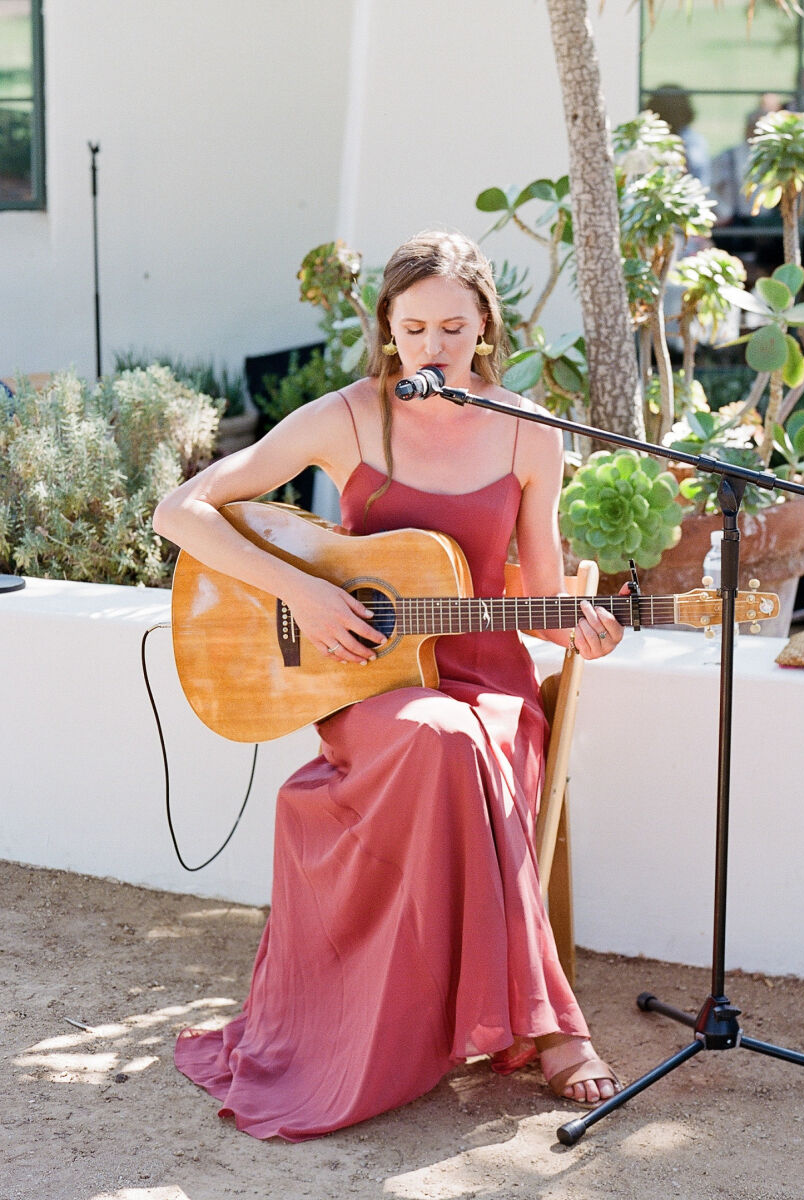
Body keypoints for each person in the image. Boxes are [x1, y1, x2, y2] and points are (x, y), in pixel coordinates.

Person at [153, 229, 625, 1141]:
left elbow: (531, 599)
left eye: (453, 326)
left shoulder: (531, 433)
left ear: (486, 323)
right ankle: (545, 1026)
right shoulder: (348, 417)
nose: (432, 347)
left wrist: (580, 627)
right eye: (413, 329)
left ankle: (541, 1021)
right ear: (388, 330)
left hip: (487, 689)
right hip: (370, 687)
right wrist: (306, 590)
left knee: (458, 735)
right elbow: (183, 511)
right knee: (432, 736)